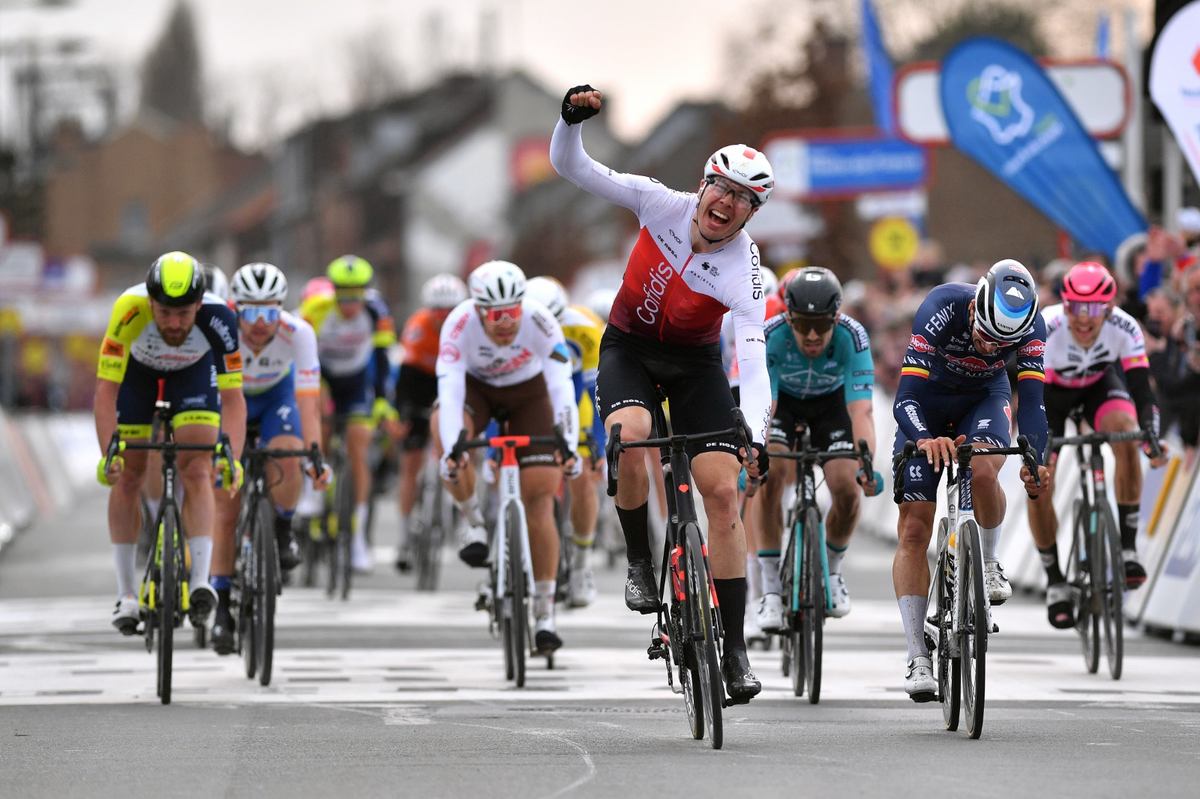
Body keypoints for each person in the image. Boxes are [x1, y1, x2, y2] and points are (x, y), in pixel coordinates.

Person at [550, 85, 771, 703]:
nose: (727, 204)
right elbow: (573, 167)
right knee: (631, 437)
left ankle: (733, 650)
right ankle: (641, 564)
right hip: (627, 351)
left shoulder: (746, 273)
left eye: (745, 201)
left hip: (695, 365)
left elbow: (751, 365)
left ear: (752, 215)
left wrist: (753, 426)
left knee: (724, 495)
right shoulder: (657, 203)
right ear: (704, 187)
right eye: (722, 189)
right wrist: (570, 122)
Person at [892, 259, 1051, 702]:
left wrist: (1037, 457)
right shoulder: (941, 306)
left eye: (1001, 344)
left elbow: (1034, 404)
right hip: (926, 403)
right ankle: (917, 656)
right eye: (983, 334)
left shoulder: (1033, 326)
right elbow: (904, 397)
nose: (987, 348)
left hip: (983, 399)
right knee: (914, 528)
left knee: (983, 469)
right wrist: (924, 439)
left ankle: (987, 561)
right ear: (975, 308)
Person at [95, 251, 246, 634]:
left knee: (197, 467)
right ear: (149, 303)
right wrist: (106, 454)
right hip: (137, 376)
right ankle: (127, 594)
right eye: (164, 313)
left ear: (200, 303)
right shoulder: (127, 310)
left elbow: (233, 399)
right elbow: (104, 392)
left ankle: (200, 582)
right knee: (128, 476)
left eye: (184, 313)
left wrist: (233, 456)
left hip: (193, 374)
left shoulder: (221, 318)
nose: (175, 323)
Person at [434, 261, 580, 652]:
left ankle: (545, 612)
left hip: (529, 395)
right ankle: (474, 521)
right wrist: (453, 449)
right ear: (478, 310)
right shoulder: (458, 324)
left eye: (512, 311)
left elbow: (561, 387)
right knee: (443, 429)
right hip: (475, 392)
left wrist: (566, 442)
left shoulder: (541, 320)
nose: (505, 322)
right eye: (495, 315)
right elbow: (448, 394)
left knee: (540, 498)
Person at [1029, 263, 1167, 629]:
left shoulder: (1125, 327)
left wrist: (1150, 433)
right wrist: (1036, 449)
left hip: (1097, 387)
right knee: (1040, 481)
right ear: (1065, 304)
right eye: (1075, 306)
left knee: (1126, 430)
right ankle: (1056, 579)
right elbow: (1027, 392)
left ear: (1109, 308)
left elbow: (1141, 388)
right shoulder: (1047, 325)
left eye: (1093, 309)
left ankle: (1127, 547)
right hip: (1050, 394)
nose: (1083, 318)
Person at [208, 263, 330, 653]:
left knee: (291, 455)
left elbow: (309, 403)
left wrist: (315, 453)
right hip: (231, 400)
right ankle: (222, 609)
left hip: (276, 397)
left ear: (282, 309)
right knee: (225, 510)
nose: (261, 323)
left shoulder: (299, 333)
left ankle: (283, 527)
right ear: (235, 308)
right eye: (251, 312)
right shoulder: (220, 329)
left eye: (270, 312)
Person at [754, 267, 882, 632]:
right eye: (803, 324)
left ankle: (833, 571)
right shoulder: (771, 336)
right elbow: (766, 409)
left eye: (821, 325)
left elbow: (862, 410)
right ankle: (771, 591)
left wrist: (866, 464)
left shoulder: (852, 336)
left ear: (836, 317)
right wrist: (756, 458)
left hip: (832, 408)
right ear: (788, 316)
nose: (812, 335)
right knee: (772, 472)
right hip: (785, 406)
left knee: (846, 487)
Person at [300, 255, 399, 572]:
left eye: (357, 295)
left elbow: (383, 358)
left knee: (359, 444)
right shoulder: (317, 309)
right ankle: (314, 490)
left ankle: (357, 539)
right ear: (334, 291)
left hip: (357, 384)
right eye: (344, 294)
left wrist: (382, 401)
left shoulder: (376, 311)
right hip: (324, 378)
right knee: (322, 430)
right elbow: (297, 349)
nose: (350, 303)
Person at [526, 275, 607, 607]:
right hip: (535, 396)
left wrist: (598, 445)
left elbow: (598, 394)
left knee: (582, 474)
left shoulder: (586, 329)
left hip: (575, 397)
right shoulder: (518, 327)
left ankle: (580, 565)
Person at [393, 274, 469, 572]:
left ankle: (463, 516)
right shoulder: (417, 327)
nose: (443, 317)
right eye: (437, 311)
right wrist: (404, 413)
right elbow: (405, 377)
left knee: (465, 446)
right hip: (422, 384)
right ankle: (402, 537)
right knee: (411, 463)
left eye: (449, 310)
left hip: (456, 383)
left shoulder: (467, 328)